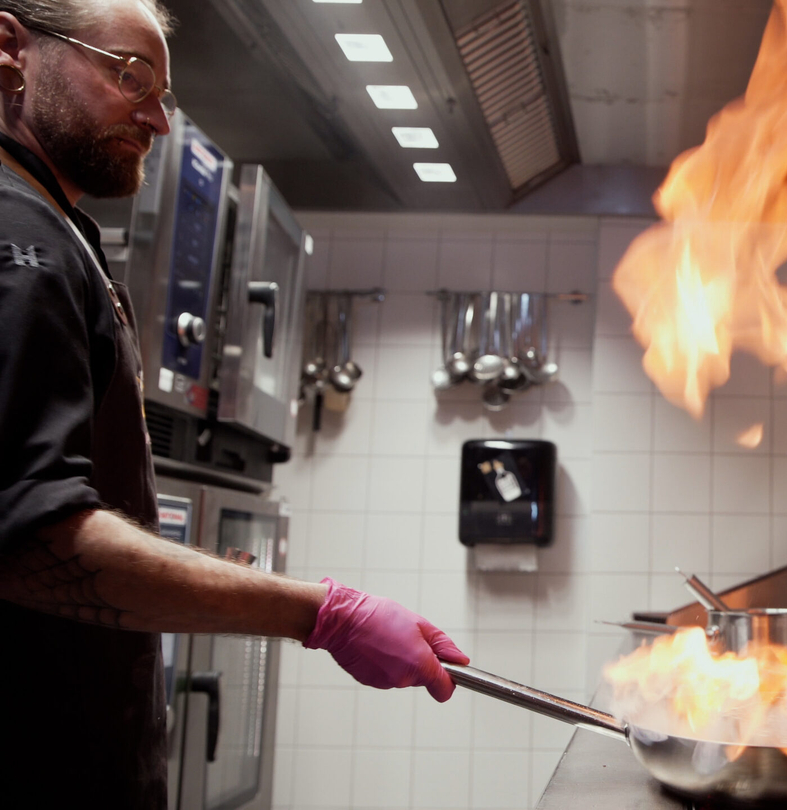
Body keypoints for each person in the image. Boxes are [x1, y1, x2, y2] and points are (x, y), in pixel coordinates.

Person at [0, 1, 469, 807]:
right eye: (130, 75)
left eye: (163, 93)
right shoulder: (17, 235)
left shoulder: (57, 227)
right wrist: (320, 613)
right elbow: (29, 535)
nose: (155, 117)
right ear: (11, 50)